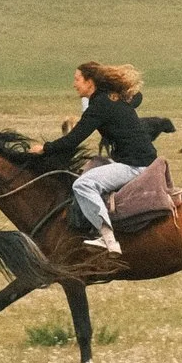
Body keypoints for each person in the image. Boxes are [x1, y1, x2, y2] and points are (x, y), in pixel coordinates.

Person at [37, 58, 159, 258]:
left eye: (77, 79)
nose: (74, 84)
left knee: (82, 185)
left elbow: (73, 139)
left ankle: (108, 239)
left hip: (134, 166)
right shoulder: (111, 98)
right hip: (142, 161)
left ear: (89, 82)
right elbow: (137, 98)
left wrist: (44, 148)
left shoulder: (99, 106)